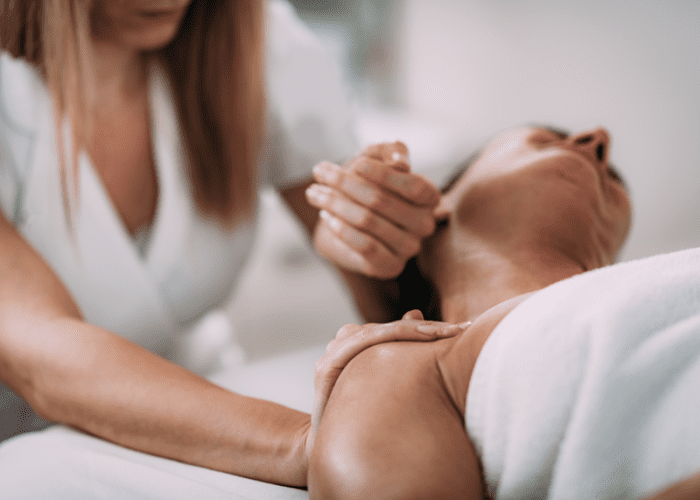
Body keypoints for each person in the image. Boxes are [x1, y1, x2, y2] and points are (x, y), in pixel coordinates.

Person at [0, 0, 456, 488]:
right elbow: (40, 355)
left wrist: (372, 239)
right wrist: (319, 445)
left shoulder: (259, 33)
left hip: (199, 409)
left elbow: (396, 306)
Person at [308, 125, 700, 499]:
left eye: (614, 181)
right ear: (437, 206)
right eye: (544, 139)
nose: (598, 138)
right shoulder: (409, 363)